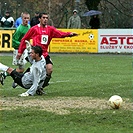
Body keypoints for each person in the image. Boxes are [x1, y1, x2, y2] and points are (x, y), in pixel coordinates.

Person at [16, 12, 78, 92]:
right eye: (43, 18)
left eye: (46, 18)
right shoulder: (34, 29)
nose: (45, 19)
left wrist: (69, 34)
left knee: (49, 69)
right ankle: (20, 79)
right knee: (37, 72)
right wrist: (20, 51)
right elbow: (24, 39)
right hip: (36, 55)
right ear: (39, 19)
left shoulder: (50, 29)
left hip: (44, 54)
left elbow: (60, 33)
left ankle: (40, 87)